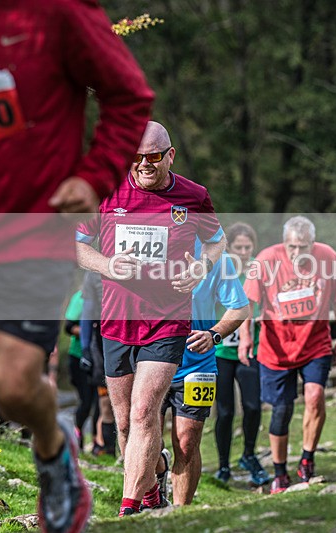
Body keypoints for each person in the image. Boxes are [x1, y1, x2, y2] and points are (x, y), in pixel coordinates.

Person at [0, 0, 153, 531]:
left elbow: (129, 95)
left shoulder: (55, 10)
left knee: (12, 384)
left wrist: (94, 175)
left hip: (33, 224)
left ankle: (56, 448)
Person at [75, 121, 226, 516]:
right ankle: (153, 472)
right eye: (136, 157)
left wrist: (201, 269)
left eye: (153, 157)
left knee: (145, 411)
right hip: (118, 321)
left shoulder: (193, 196)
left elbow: (216, 240)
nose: (143, 164)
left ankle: (128, 509)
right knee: (125, 424)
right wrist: (107, 264)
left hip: (168, 320)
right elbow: (76, 247)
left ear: (169, 155)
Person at [239, 216, 336, 493]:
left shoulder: (328, 257)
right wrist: (244, 338)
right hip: (275, 348)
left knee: (315, 397)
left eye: (303, 247)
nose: (297, 253)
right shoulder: (265, 260)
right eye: (292, 247)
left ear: (313, 243)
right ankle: (279, 471)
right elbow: (246, 305)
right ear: (283, 242)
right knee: (281, 411)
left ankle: (307, 459)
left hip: (316, 343)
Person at [153, 243, 251, 505]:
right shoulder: (149, 247)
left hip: (197, 366)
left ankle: (181, 513)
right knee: (145, 440)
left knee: (187, 442)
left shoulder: (218, 258)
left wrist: (214, 334)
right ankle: (159, 469)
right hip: (150, 363)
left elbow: (240, 307)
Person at [213, 223, 270, 486]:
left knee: (253, 406)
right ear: (230, 248)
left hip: (252, 350)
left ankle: (248, 454)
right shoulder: (219, 268)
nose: (245, 252)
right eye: (239, 247)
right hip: (221, 351)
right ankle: (223, 464)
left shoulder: (259, 270)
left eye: (248, 247)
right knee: (224, 412)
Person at [80, 269, 117, 457]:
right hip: (100, 339)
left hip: (132, 336)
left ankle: (127, 450)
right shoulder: (93, 273)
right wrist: (85, 348)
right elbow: (87, 311)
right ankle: (108, 450)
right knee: (105, 402)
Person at [64, 289, 99, 452]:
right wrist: (90, 330)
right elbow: (69, 327)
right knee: (86, 402)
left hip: (99, 357)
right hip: (78, 356)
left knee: (99, 403)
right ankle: (76, 436)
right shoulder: (79, 296)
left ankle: (97, 441)